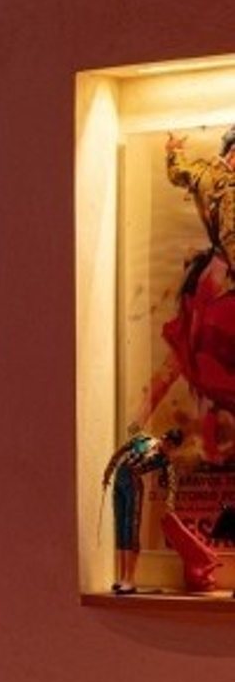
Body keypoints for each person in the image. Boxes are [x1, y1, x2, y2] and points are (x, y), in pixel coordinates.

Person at [137, 130, 235, 460]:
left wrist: (174, 152)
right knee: (194, 352)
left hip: (216, 273)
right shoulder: (216, 179)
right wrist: (174, 151)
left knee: (195, 353)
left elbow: (179, 171)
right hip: (222, 276)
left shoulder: (205, 173)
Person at [102, 427, 185, 593]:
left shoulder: (164, 460)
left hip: (133, 484)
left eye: (172, 447)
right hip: (120, 480)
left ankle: (129, 579)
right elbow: (120, 451)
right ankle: (121, 577)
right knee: (120, 527)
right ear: (164, 437)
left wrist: (169, 502)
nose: (168, 448)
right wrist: (108, 472)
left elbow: (172, 482)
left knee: (131, 528)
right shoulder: (142, 439)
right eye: (168, 443)